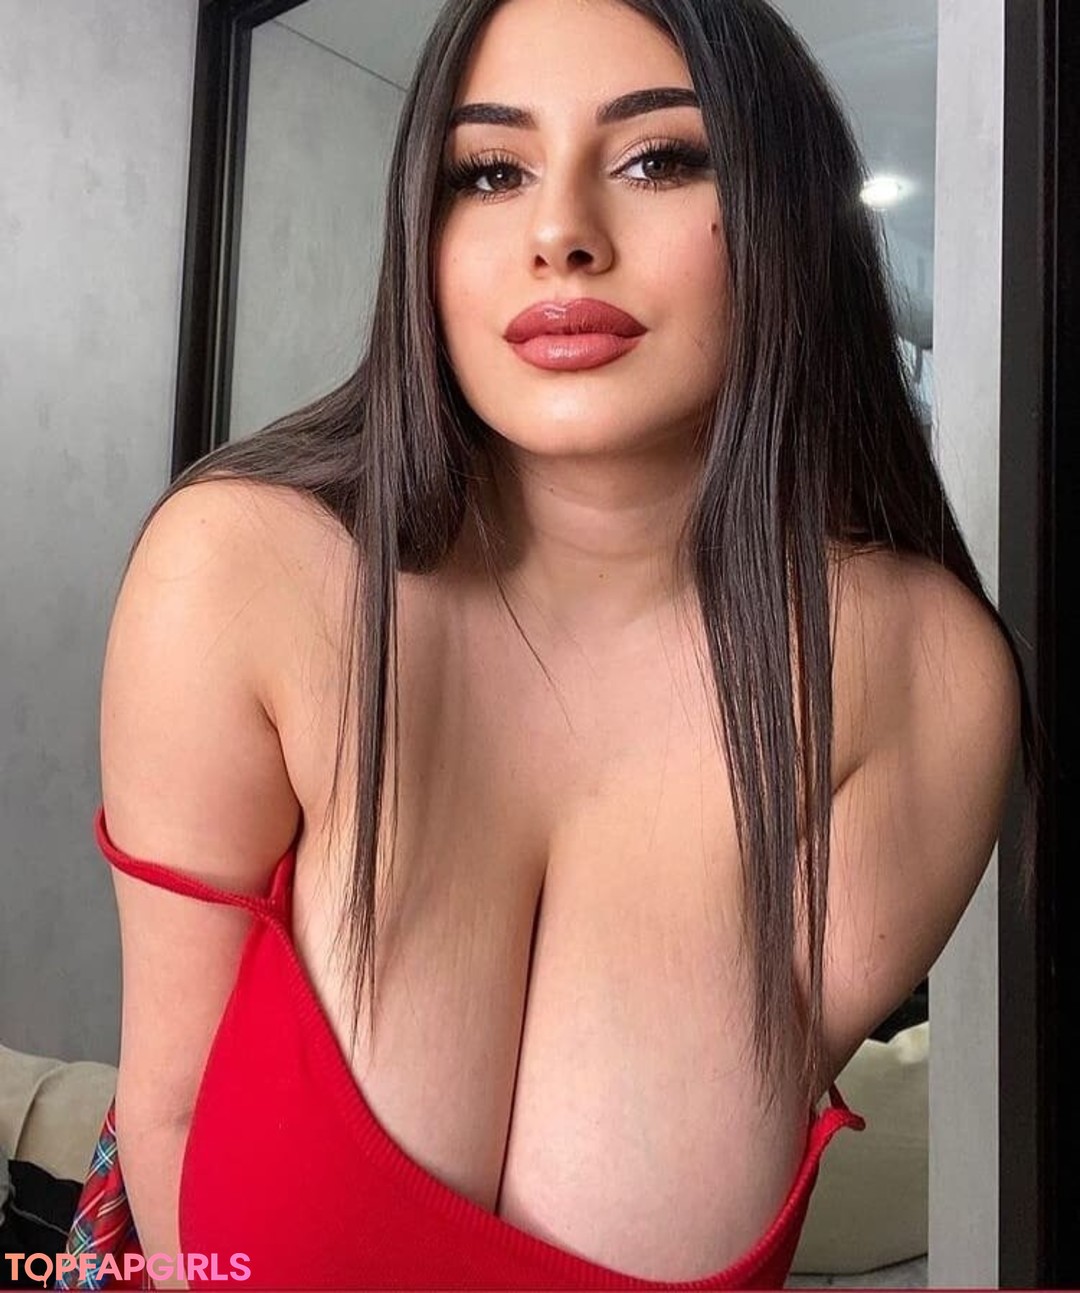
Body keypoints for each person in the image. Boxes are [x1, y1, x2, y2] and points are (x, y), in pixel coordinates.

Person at [59, 0, 1034, 1287]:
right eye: (490, 171)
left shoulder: (917, 681)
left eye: (659, 158)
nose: (560, 233)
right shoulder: (244, 578)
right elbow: (169, 1117)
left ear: (788, 211)